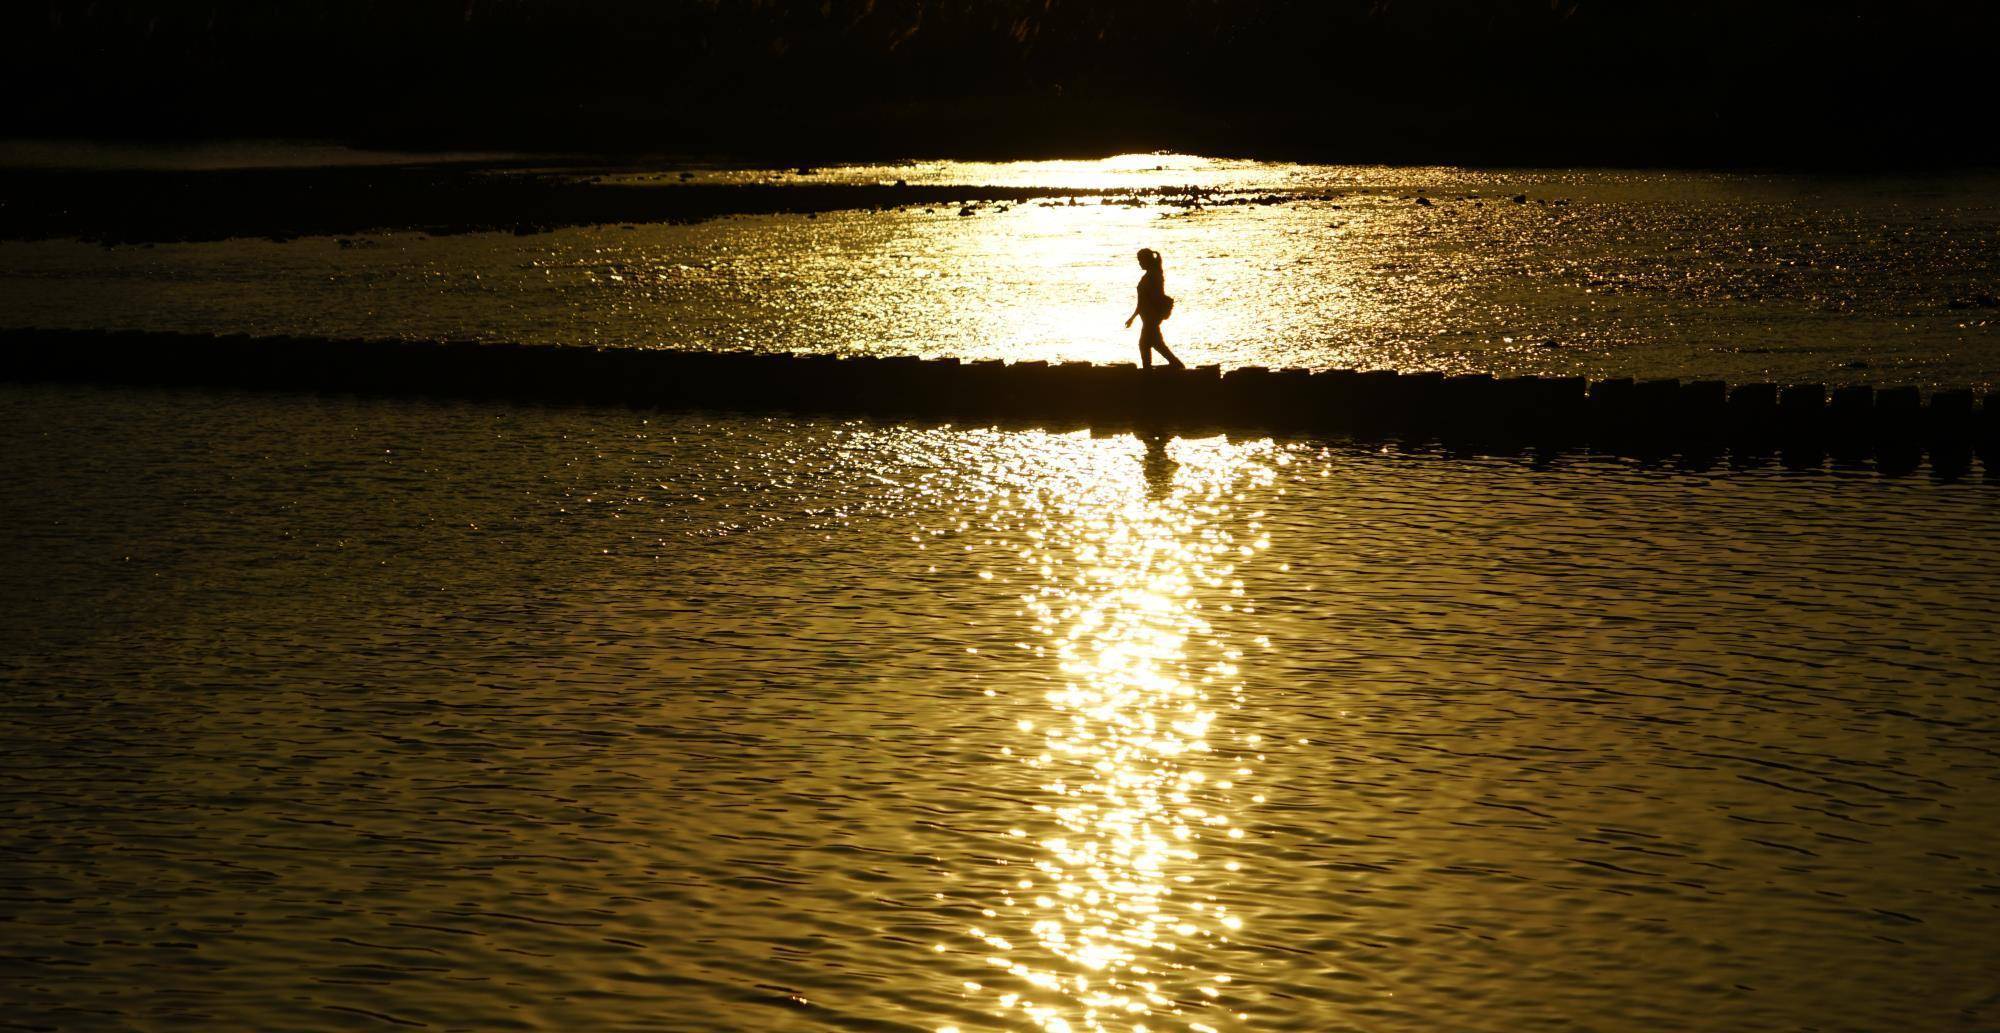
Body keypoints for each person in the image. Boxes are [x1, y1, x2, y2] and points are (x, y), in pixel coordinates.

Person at [1124, 248, 1184, 370]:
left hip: (1151, 317)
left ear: (1147, 260)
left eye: (1141, 260)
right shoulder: (1151, 275)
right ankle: (1170, 366)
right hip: (1148, 317)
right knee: (1155, 344)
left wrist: (1151, 314)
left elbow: (1153, 297)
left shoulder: (1154, 276)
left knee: (1145, 344)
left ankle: (1151, 371)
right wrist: (1132, 318)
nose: (1139, 263)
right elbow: (1141, 303)